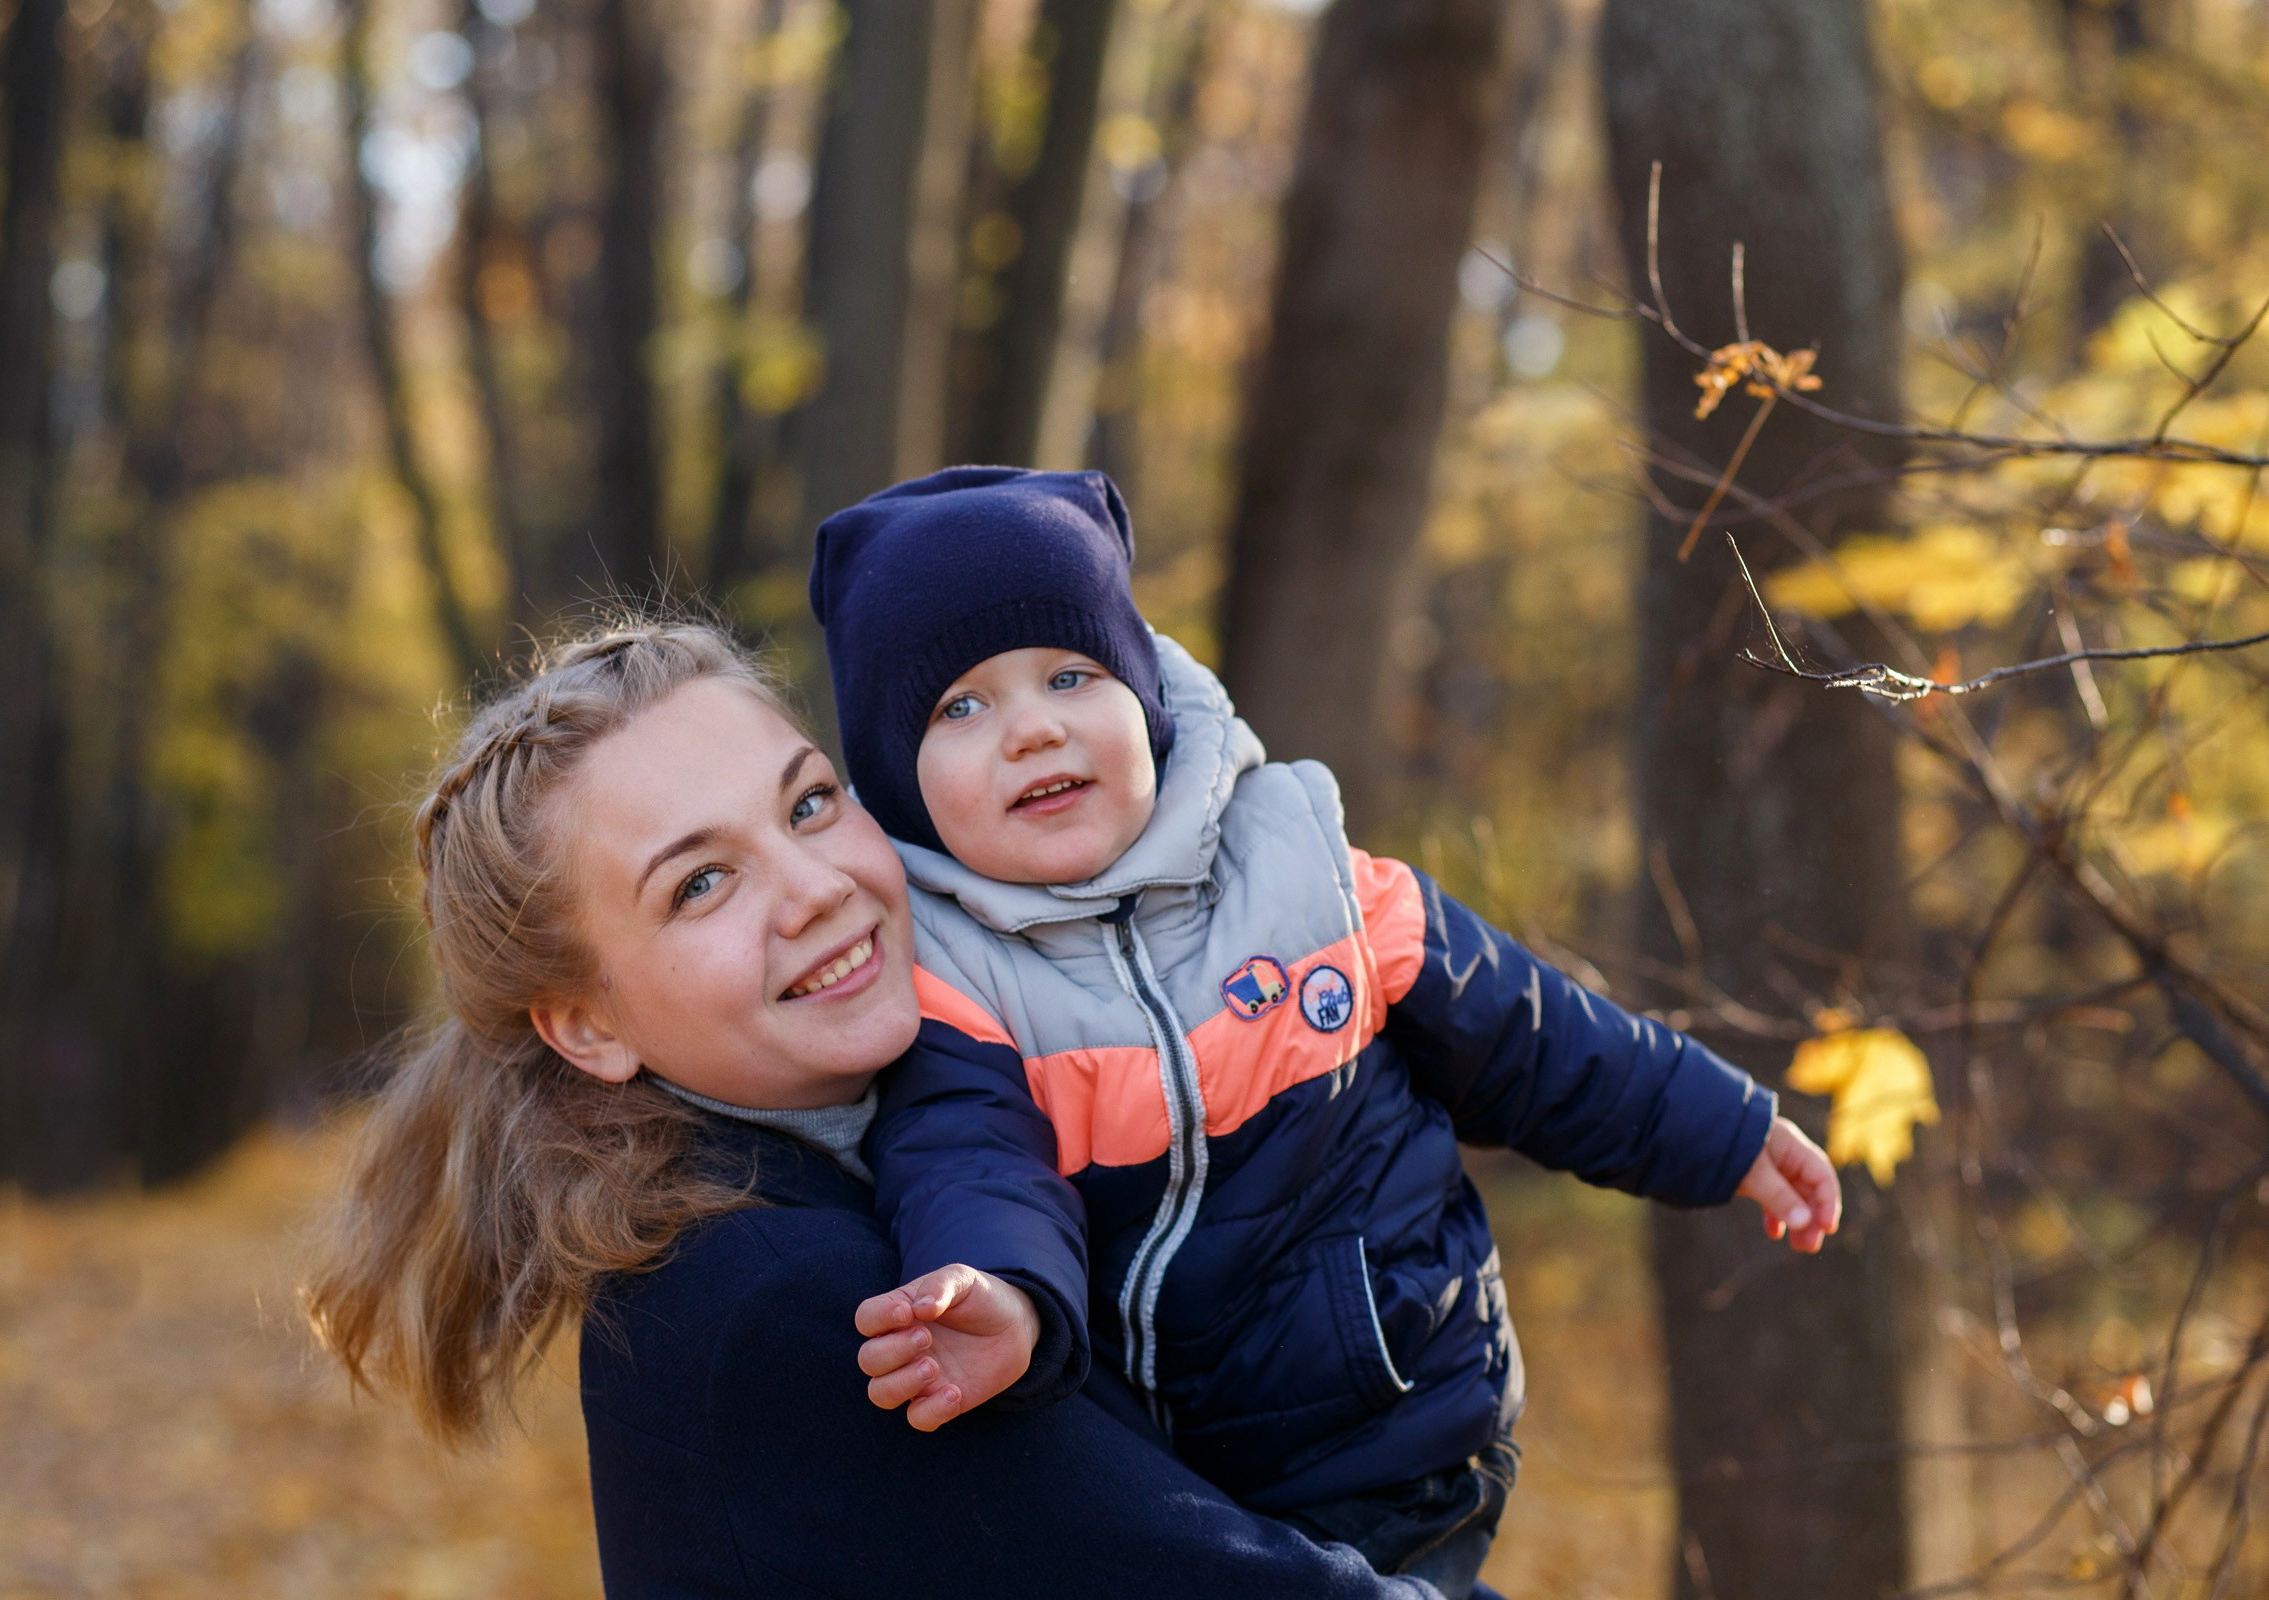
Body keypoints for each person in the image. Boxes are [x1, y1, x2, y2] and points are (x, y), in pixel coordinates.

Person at [808, 468, 1846, 1595]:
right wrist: (1000, 1289)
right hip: (1182, 1491)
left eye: (1072, 673)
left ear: (1146, 691)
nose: (1033, 728)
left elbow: (1537, 1034)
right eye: (961, 707)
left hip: (1404, 1427)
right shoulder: (952, 982)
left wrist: (1727, 1129)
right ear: (897, 787)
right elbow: (967, 1156)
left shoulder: (1304, 875)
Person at [302, 621, 1445, 1599]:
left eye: (808, 803)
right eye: (700, 883)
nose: (817, 886)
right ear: (589, 1025)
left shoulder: (938, 1136)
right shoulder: (780, 1300)